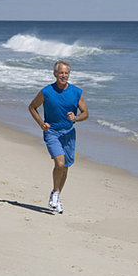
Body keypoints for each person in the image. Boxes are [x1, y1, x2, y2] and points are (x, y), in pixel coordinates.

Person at [28, 60, 89, 214]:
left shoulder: (76, 92)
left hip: (69, 133)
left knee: (66, 167)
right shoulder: (46, 91)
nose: (64, 75)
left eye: (66, 73)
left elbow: (85, 114)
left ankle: (56, 196)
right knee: (60, 164)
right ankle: (55, 193)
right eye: (61, 73)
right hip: (52, 132)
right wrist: (41, 124)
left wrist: (75, 118)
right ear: (55, 74)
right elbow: (32, 107)